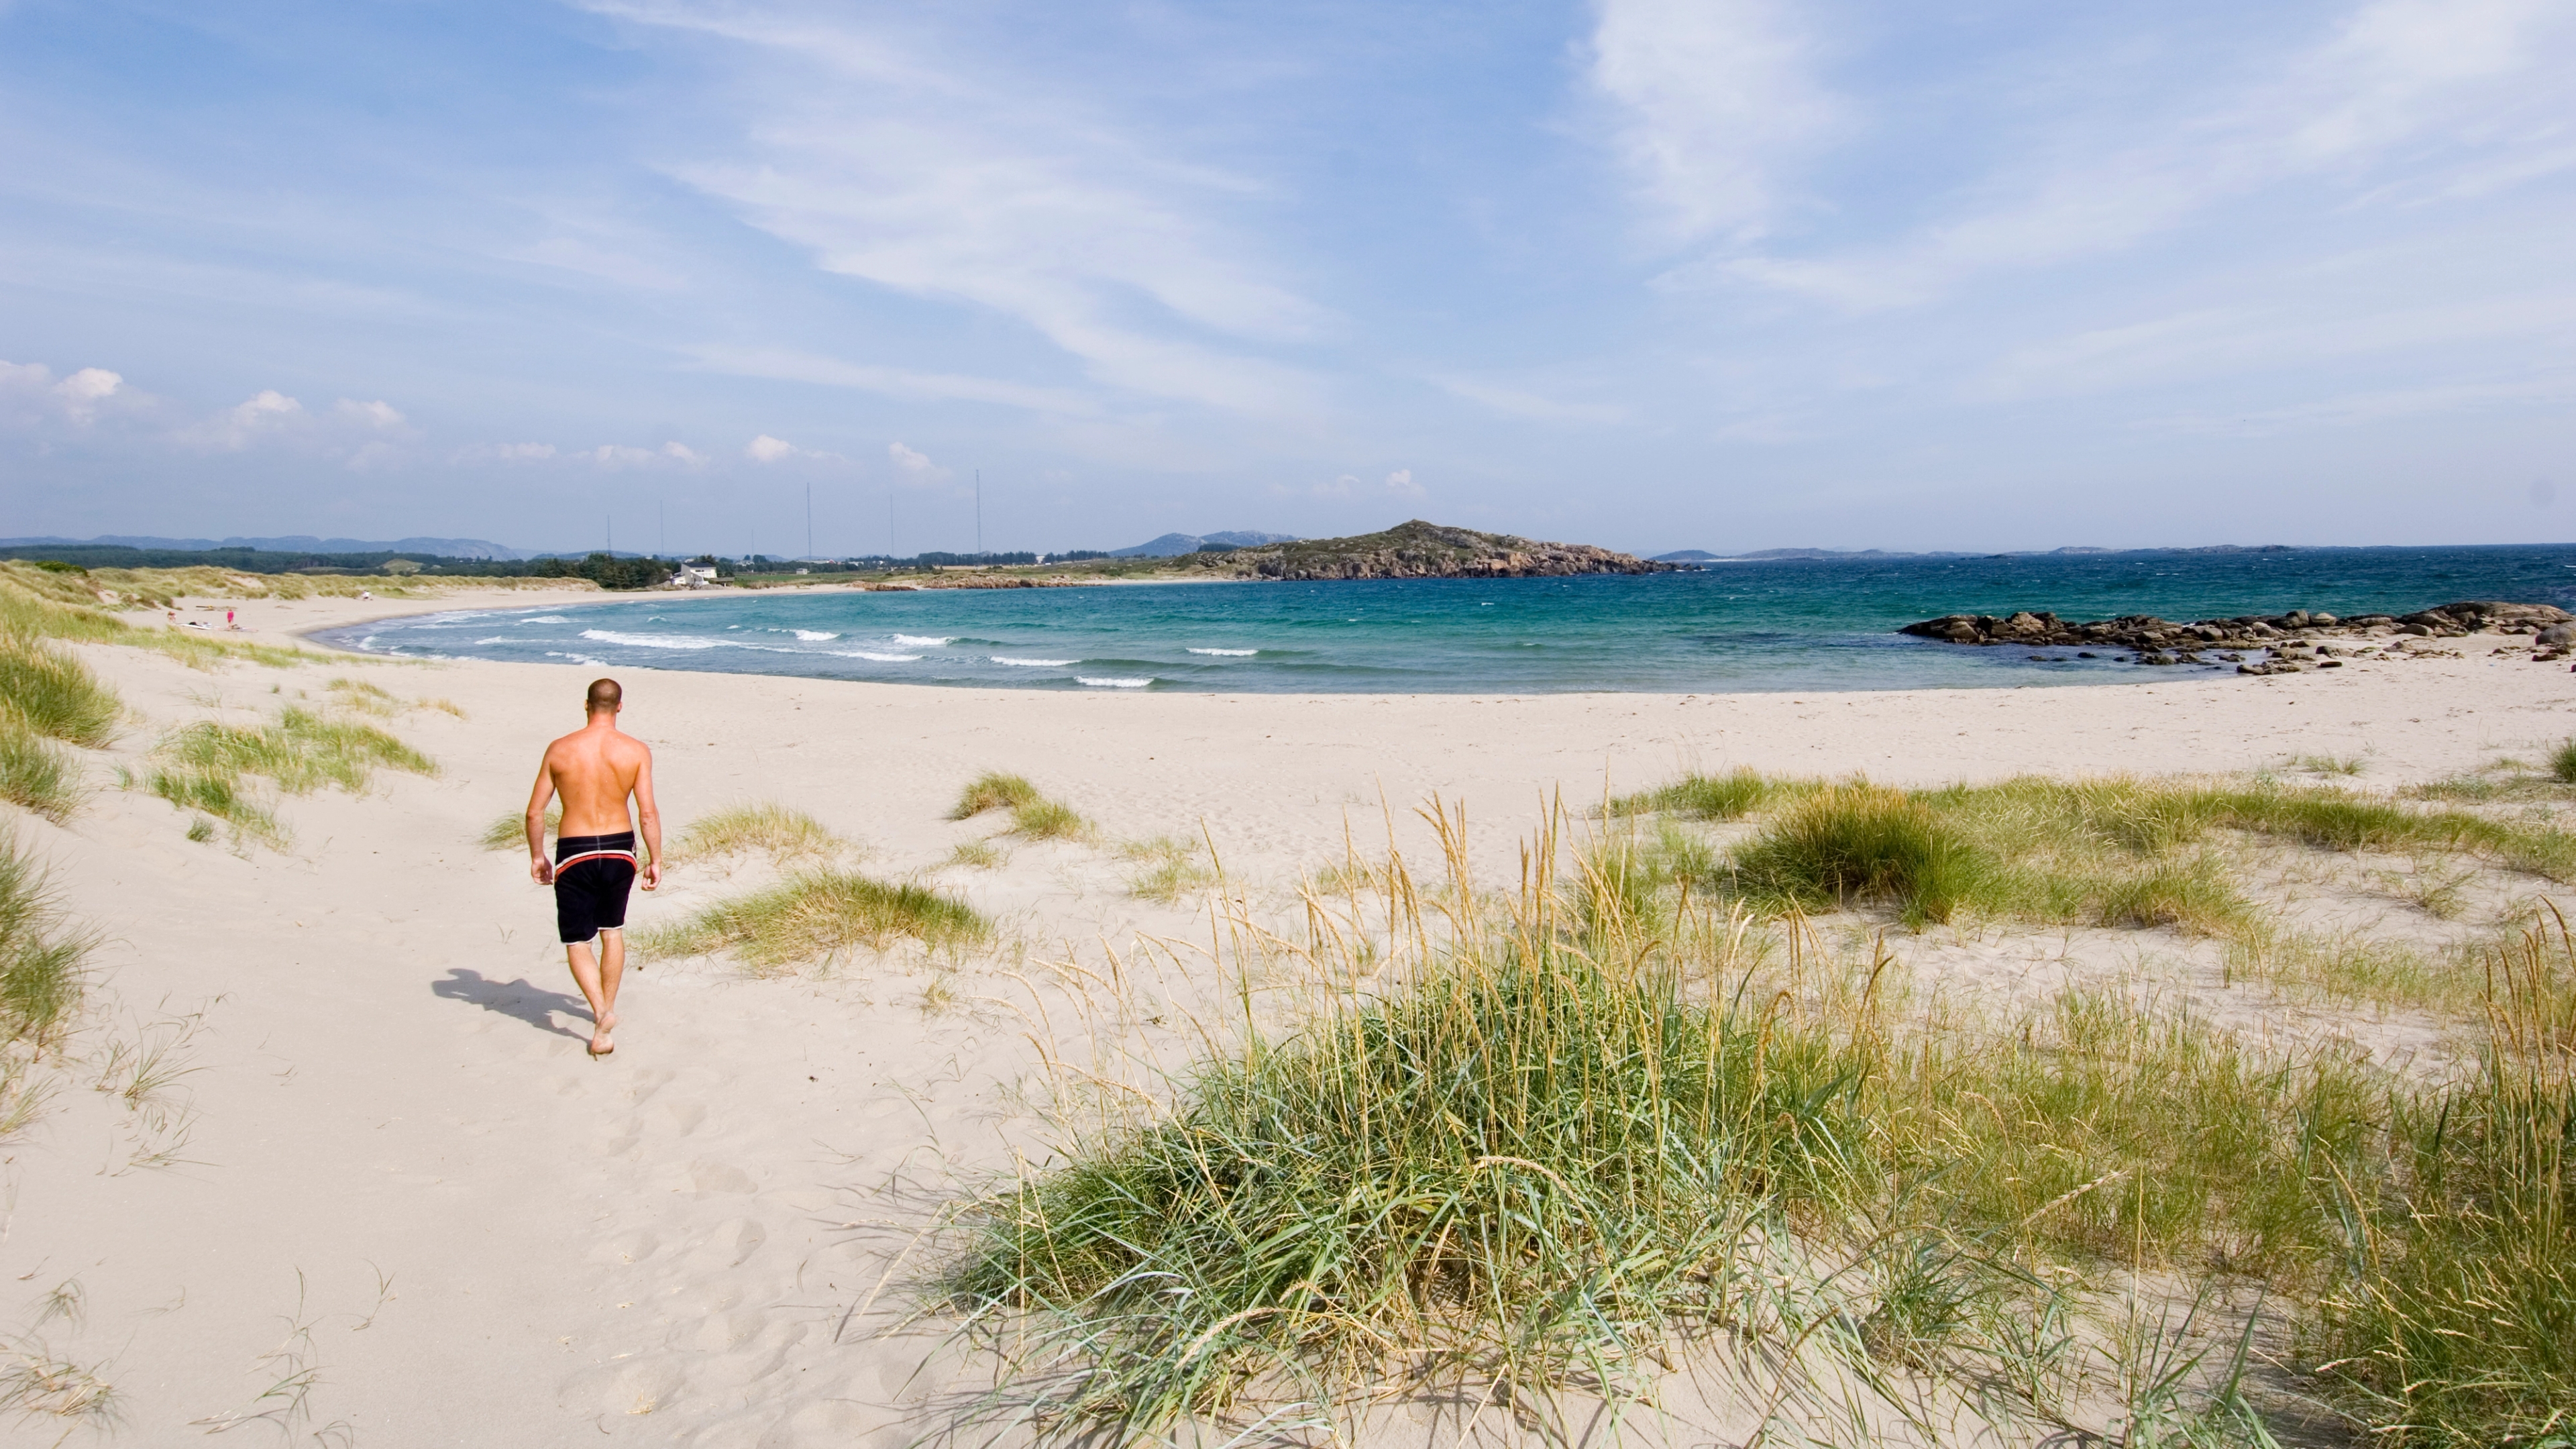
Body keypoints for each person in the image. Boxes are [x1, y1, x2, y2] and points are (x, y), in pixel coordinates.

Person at [524, 678, 662, 1057]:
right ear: (620, 707)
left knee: (577, 940)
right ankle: (607, 1013)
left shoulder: (560, 749)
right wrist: (656, 859)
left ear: (586, 705)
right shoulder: (636, 750)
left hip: (576, 850)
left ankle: (601, 1015)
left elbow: (535, 811)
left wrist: (538, 856)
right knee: (612, 932)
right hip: (620, 850)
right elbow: (647, 811)